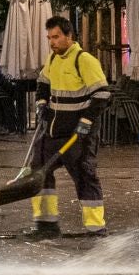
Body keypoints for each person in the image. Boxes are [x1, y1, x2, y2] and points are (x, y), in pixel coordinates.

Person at [26, 15, 112, 239]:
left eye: (56, 37)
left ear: (69, 36)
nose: (52, 42)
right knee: (39, 171)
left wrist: (86, 122)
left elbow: (102, 94)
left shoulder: (84, 60)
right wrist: (42, 104)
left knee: (85, 176)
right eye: (49, 38)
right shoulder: (53, 59)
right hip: (53, 132)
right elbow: (43, 83)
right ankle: (46, 225)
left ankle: (95, 229)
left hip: (78, 136)